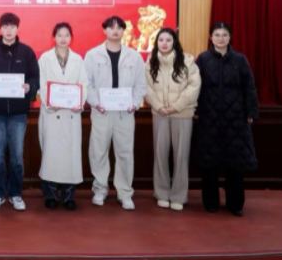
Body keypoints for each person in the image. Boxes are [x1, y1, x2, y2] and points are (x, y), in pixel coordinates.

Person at [0, 12, 40, 212]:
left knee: (17, 157)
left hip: (18, 114)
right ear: (0, 28)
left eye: (12, 26)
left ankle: (15, 194)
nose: (9, 30)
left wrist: (30, 87)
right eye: (5, 26)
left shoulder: (27, 52)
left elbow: (35, 77)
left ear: (17, 28)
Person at [195, 22, 258, 217]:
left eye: (224, 35)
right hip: (209, 118)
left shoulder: (240, 59)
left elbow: (249, 87)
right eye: (217, 35)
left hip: (236, 119)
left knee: (235, 164)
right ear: (210, 37)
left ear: (229, 37)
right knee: (209, 162)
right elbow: (195, 87)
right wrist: (196, 109)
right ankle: (211, 202)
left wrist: (251, 111)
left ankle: (235, 203)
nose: (221, 38)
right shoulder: (203, 59)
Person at [84, 16, 146, 211]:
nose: (115, 31)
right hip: (101, 112)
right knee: (98, 151)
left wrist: (134, 104)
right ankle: (100, 189)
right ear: (104, 30)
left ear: (123, 31)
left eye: (119, 27)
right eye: (111, 27)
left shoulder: (134, 56)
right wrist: (96, 103)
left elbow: (141, 84)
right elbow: (87, 84)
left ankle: (125, 193)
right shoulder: (92, 55)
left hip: (124, 113)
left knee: (125, 153)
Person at [144, 28, 201, 211]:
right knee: (160, 154)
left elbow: (194, 86)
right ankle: (161, 193)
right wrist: (158, 105)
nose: (164, 43)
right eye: (161, 40)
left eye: (168, 40)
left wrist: (176, 106)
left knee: (181, 155)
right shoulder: (150, 62)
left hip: (182, 114)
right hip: (159, 113)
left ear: (174, 42)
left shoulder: (187, 61)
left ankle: (178, 195)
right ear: (156, 43)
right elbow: (146, 87)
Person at [38, 22, 88, 211]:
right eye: (59, 35)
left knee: (70, 156)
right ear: (54, 37)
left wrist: (79, 102)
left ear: (71, 38)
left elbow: (83, 84)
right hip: (52, 114)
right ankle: (50, 194)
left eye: (66, 35)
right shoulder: (45, 58)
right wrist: (50, 102)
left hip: (71, 114)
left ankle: (69, 196)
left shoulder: (78, 59)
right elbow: (42, 84)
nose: (63, 39)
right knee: (51, 155)